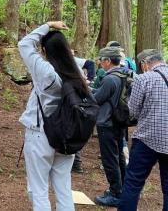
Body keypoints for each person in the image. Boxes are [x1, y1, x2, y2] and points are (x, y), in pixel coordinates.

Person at [18, 21, 89, 211]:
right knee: (63, 188)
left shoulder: (45, 72)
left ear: (45, 50)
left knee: (38, 189)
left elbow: (24, 44)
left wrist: (47, 25)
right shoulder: (75, 74)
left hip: (40, 133)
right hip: (67, 135)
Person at [119, 49, 168, 211]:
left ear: (145, 63)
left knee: (133, 182)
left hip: (147, 139)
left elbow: (132, 110)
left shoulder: (144, 79)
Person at [92, 47, 128, 207]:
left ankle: (115, 193)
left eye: (101, 59)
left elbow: (97, 99)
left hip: (107, 122)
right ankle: (123, 189)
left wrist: (86, 91)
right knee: (119, 155)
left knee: (109, 159)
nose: (100, 62)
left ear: (108, 61)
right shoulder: (124, 74)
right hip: (120, 121)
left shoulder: (109, 79)